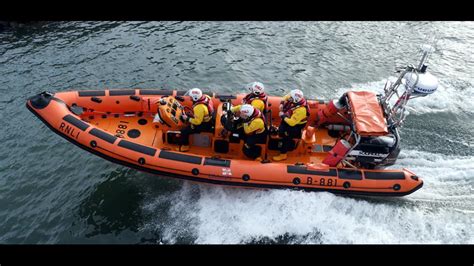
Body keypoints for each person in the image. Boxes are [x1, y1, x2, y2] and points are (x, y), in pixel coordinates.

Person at [272, 89, 310, 161]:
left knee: (287, 138)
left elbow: (292, 123)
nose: (289, 98)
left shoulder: (301, 110)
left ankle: (283, 154)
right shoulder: (296, 97)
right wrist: (282, 103)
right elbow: (286, 97)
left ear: (295, 100)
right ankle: (281, 132)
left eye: (291, 98)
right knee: (282, 130)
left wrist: (283, 116)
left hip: (295, 125)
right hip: (289, 119)